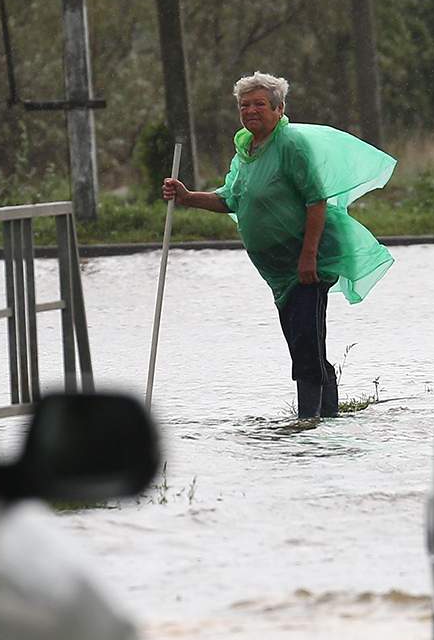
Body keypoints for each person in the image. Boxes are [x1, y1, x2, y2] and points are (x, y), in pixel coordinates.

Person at [162, 72, 395, 419]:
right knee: (303, 343)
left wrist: (308, 256)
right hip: (279, 273)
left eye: (259, 104)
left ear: (278, 108)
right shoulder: (247, 150)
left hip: (310, 263)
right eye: (244, 105)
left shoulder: (290, 145)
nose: (251, 111)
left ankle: (311, 426)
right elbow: (231, 198)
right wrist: (188, 197)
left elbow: (316, 201)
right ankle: (325, 418)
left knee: (305, 345)